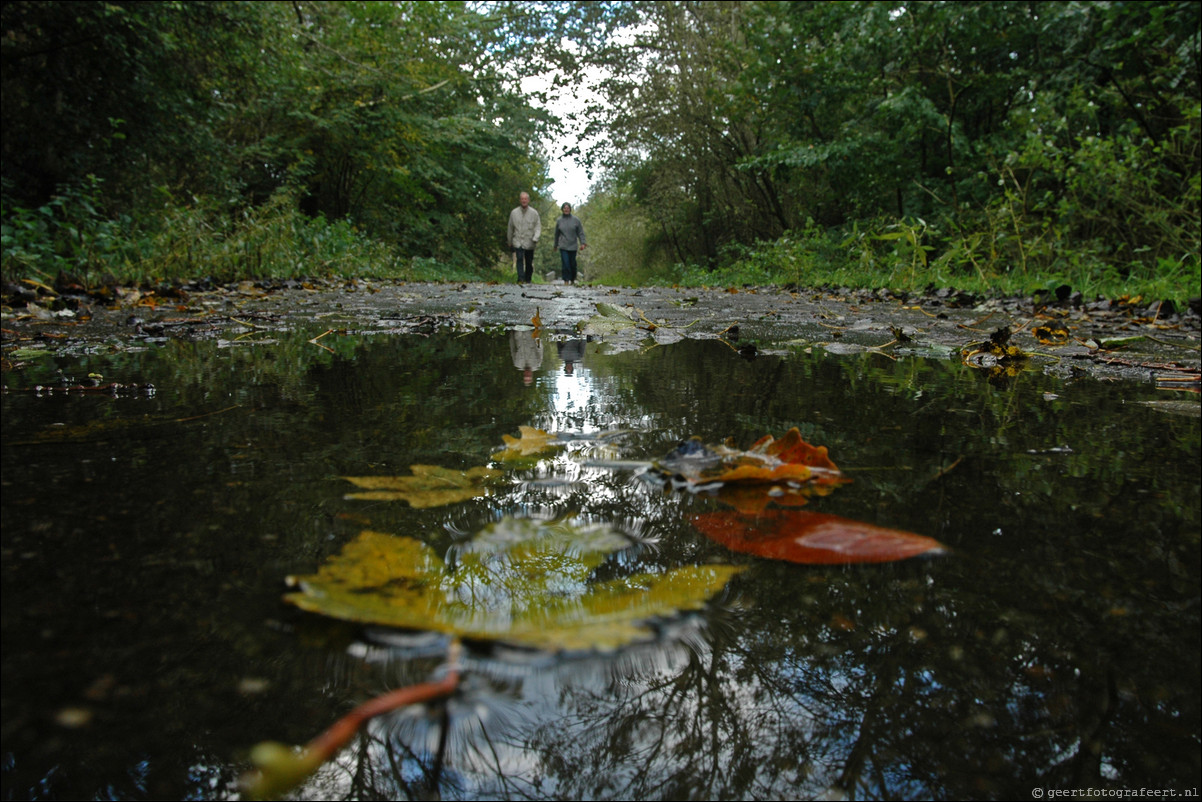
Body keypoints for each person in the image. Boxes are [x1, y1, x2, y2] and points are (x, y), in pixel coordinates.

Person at [507, 192, 540, 283]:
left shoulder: (534, 213)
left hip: (530, 241)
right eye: (522, 199)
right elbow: (510, 227)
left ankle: (528, 278)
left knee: (529, 261)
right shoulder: (514, 213)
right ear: (520, 200)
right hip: (518, 240)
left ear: (528, 200)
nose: (524, 200)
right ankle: (520, 278)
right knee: (520, 258)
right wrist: (509, 241)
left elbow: (538, 227)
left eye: (525, 199)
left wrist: (536, 238)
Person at [553, 203, 587, 285]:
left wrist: (583, 243)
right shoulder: (559, 220)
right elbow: (556, 234)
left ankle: (572, 279)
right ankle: (566, 280)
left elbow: (580, 232)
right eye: (564, 208)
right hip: (563, 245)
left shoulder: (576, 220)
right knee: (565, 263)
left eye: (568, 208)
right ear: (562, 209)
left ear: (570, 209)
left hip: (573, 246)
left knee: (573, 264)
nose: (566, 209)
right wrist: (555, 245)